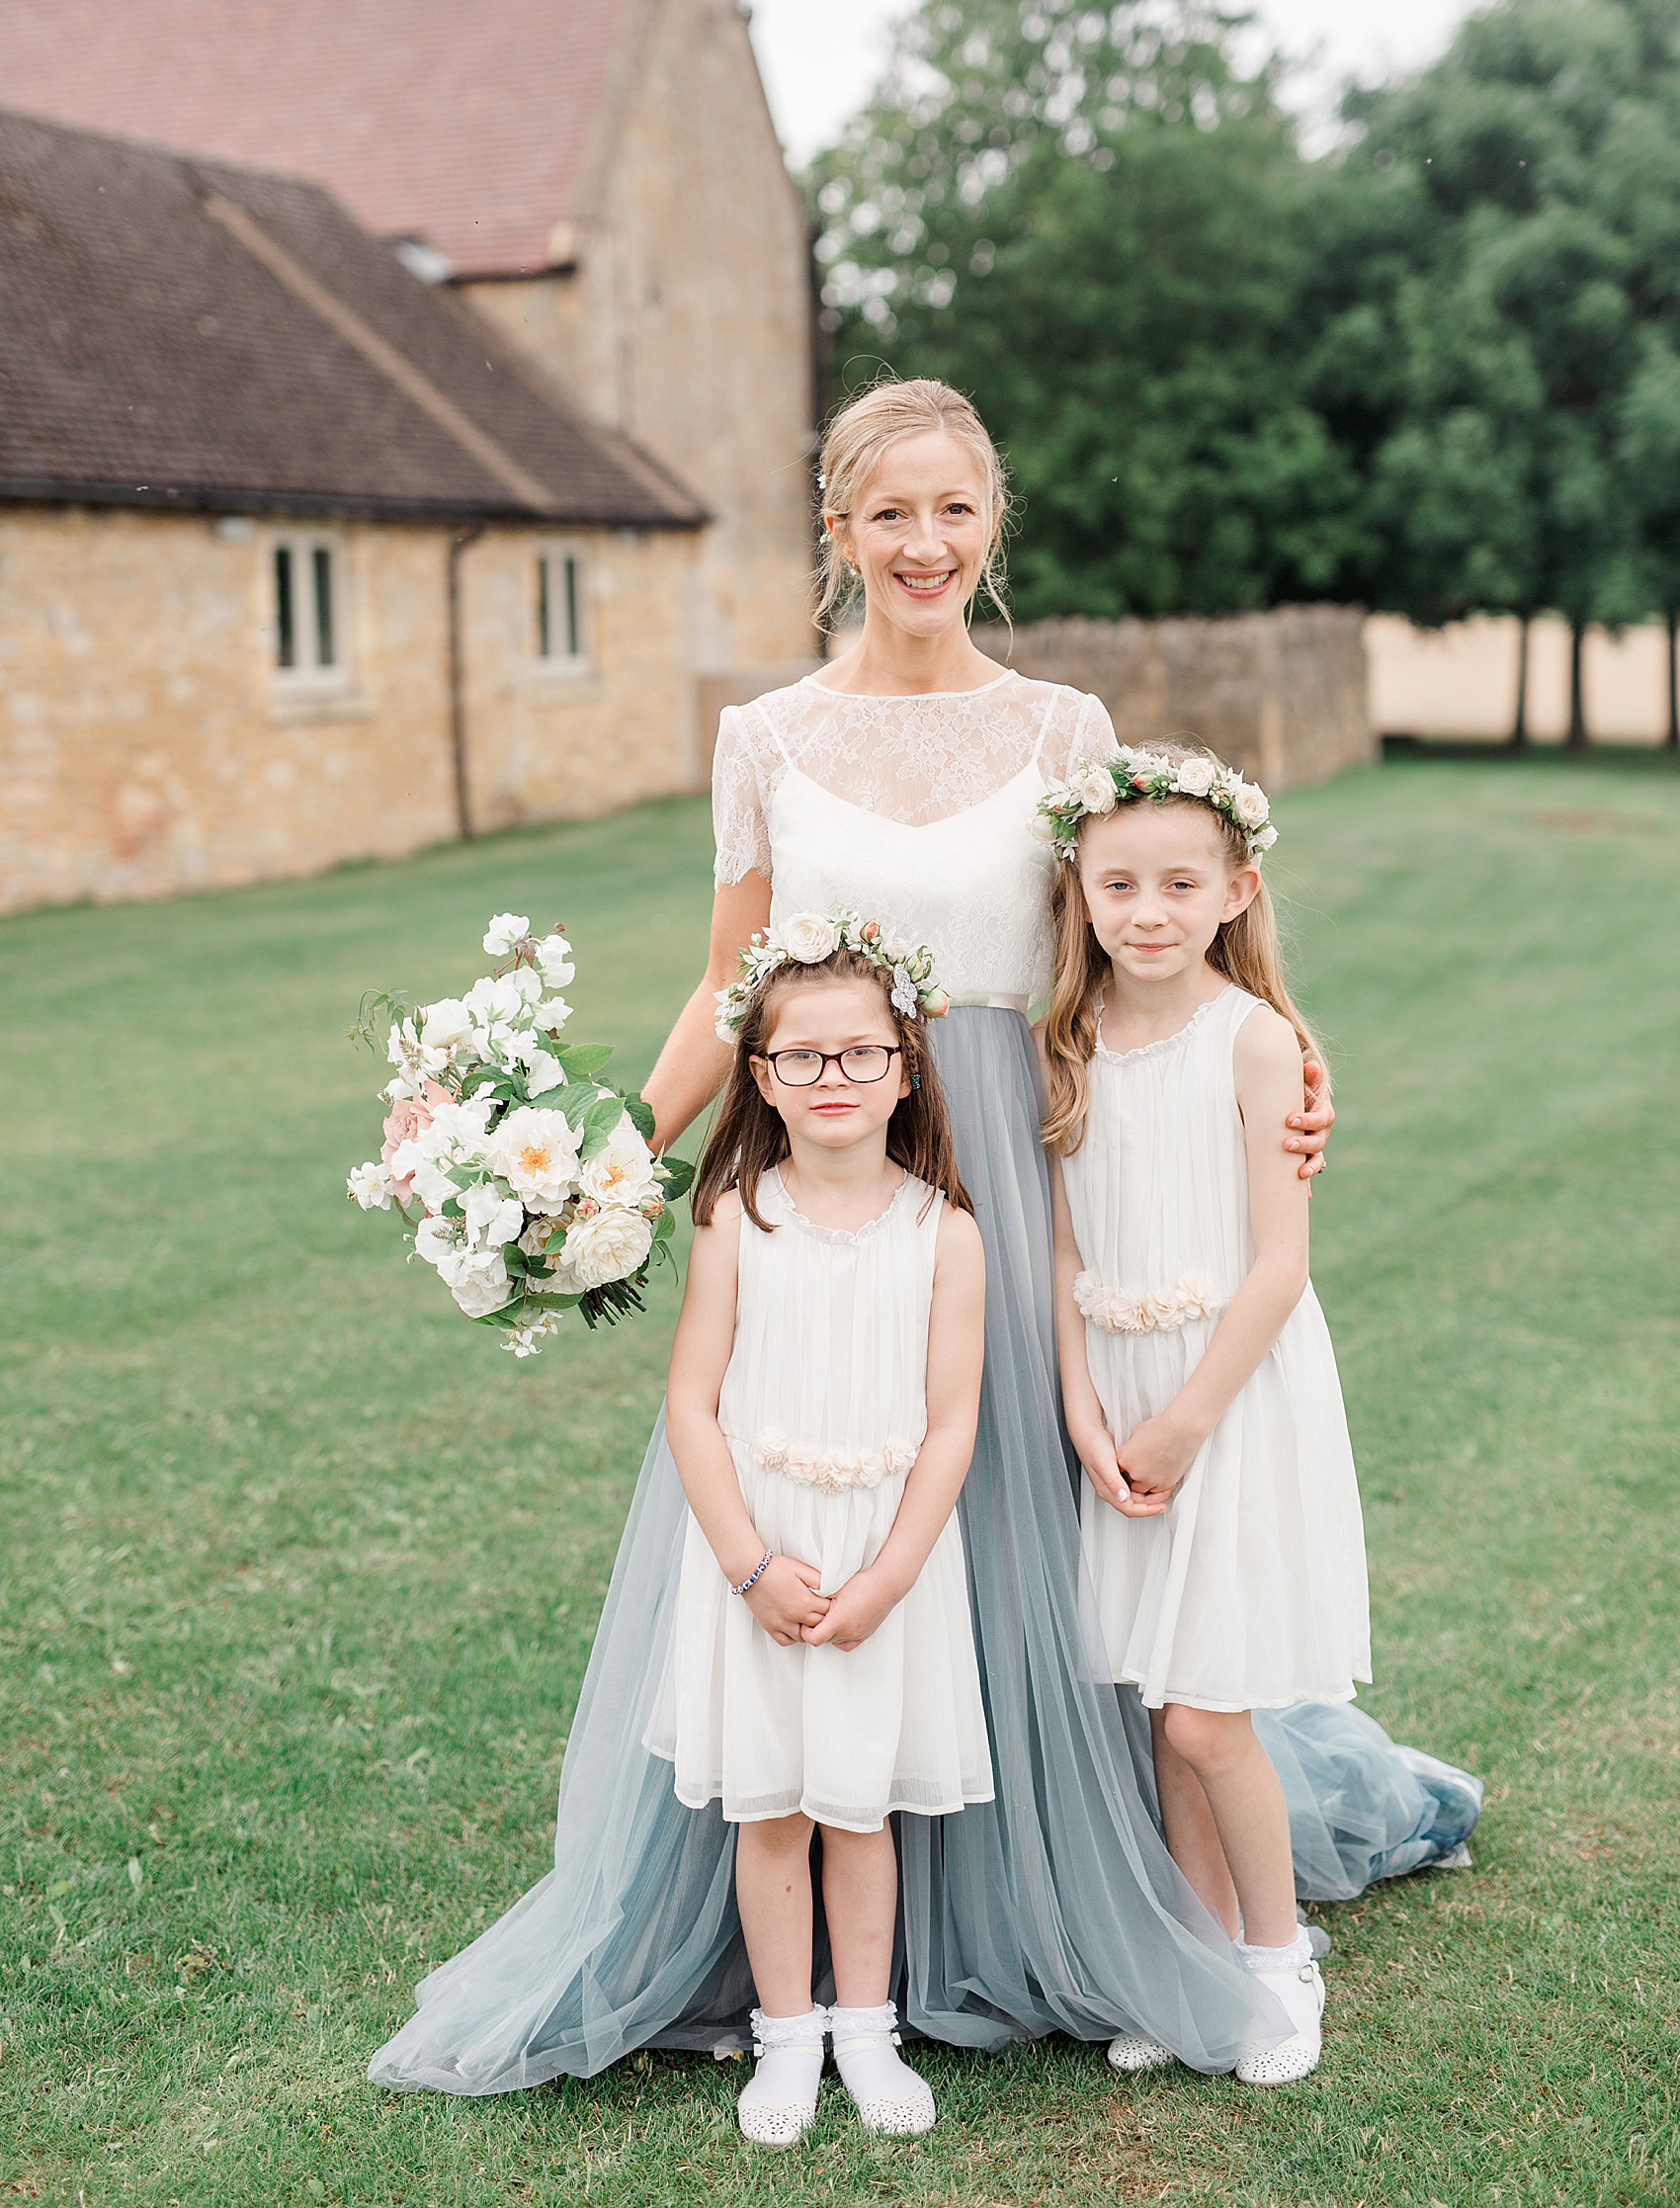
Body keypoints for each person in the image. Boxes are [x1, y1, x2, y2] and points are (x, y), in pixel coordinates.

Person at [368, 377, 1474, 2100]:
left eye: (956, 510)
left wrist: (1295, 1058)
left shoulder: (1059, 729)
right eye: (891, 513)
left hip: (1023, 1181)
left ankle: (1074, 1892)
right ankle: (808, 1949)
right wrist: (588, 1167)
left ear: (993, 526)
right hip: (828, 1174)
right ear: (837, 531)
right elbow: (725, 993)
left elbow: (1144, 935)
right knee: (828, 1489)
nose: (926, 545)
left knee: (1039, 1538)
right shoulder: (764, 739)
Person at [1040, 741, 1370, 2084]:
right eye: (1120, 883)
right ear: (1082, 888)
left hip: (1226, 1394)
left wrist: (1181, 1420)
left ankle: (1280, 1959)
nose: (1149, 910)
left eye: (1181, 883)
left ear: (1236, 887)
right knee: (1155, 1694)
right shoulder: (1063, 1042)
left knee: (1203, 1712)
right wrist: (1084, 1403)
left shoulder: (1256, 1039)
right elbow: (1063, 1250)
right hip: (1116, 1391)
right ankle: (1198, 1954)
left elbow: (1280, 1264)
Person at [659, 919, 989, 2142]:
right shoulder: (735, 1221)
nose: (833, 1079)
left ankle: (866, 2030)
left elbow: (951, 1425)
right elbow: (691, 1403)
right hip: (760, 1554)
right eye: (802, 1059)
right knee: (772, 1812)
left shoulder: (943, 1232)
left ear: (906, 1067)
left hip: (881, 1565)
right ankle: (784, 2040)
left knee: (861, 1810)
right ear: (760, 1077)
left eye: (861, 1054)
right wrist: (747, 1566)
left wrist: (890, 1575)